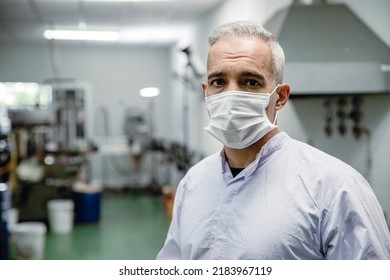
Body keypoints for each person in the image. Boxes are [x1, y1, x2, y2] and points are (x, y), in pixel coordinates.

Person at [157, 21, 390, 260]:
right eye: (219, 82)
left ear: (279, 97)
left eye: (250, 82)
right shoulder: (193, 183)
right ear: (206, 92)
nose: (231, 94)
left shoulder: (335, 188)